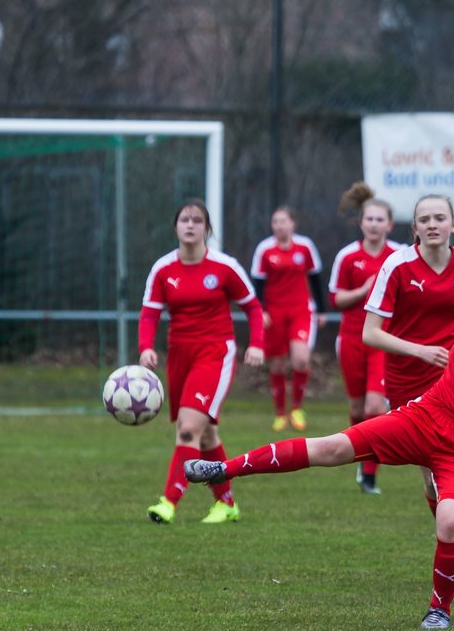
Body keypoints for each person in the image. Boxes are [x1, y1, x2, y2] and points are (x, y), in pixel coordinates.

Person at [183, 252, 454, 630]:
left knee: (452, 522)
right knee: (332, 447)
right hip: (424, 417)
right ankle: (223, 469)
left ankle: (440, 610)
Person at [138, 198, 265, 525]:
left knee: (189, 428)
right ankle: (226, 504)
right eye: (185, 219)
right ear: (176, 227)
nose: (191, 225)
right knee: (206, 436)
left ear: (207, 229)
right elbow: (150, 313)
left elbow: (252, 307)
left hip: (215, 353)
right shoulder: (163, 268)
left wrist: (257, 345)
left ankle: (169, 502)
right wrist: (145, 348)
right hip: (180, 354)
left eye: (197, 220)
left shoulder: (225, 267)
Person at [362, 193, 454, 514]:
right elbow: (369, 333)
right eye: (424, 220)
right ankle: (447, 521)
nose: (432, 225)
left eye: (439, 218)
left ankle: (452, 529)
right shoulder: (397, 265)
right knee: (430, 473)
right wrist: (421, 351)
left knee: (450, 464)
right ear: (415, 227)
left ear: (453, 224)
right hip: (407, 380)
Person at [329, 182, 399, 495]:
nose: (373, 224)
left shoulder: (398, 256)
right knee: (358, 410)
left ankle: (370, 475)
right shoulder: (347, 257)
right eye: (368, 219)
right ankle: (361, 457)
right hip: (352, 339)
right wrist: (362, 290)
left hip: (383, 340)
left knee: (376, 406)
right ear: (361, 223)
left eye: (379, 219)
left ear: (389, 224)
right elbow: (335, 300)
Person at [251, 206, 326, 432]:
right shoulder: (264, 249)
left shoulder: (305, 246)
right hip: (273, 313)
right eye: (275, 222)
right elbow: (258, 284)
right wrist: (260, 311)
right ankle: (280, 413)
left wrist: (321, 310)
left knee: (301, 359)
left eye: (283, 221)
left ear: (293, 223)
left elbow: (315, 278)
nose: (279, 226)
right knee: (277, 363)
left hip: (301, 310)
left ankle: (296, 409)